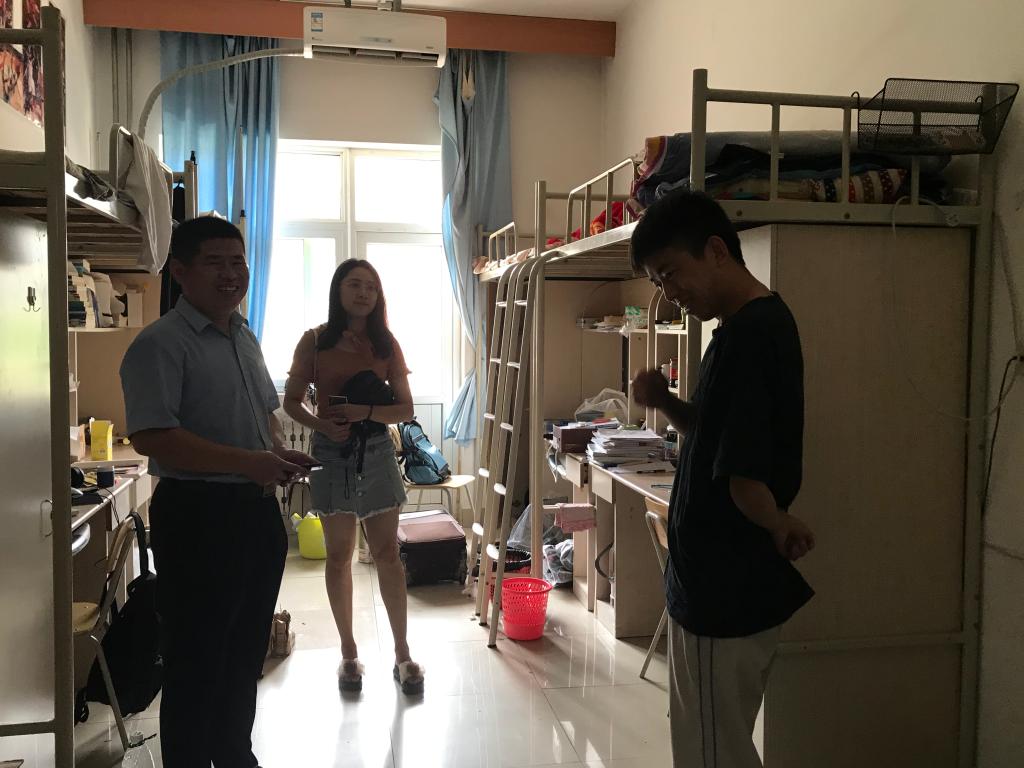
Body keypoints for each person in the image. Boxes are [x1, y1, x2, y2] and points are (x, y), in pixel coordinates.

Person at [120, 216, 318, 768]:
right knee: (196, 659)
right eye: (215, 262)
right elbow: (154, 436)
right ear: (180, 271)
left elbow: (264, 416)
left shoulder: (243, 335)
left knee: (244, 652)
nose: (231, 274)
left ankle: (234, 755)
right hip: (198, 517)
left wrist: (276, 453)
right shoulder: (160, 344)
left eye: (238, 262)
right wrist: (250, 463)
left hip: (255, 514)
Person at [630, 190, 816, 768]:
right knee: (714, 743)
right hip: (714, 584)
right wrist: (666, 402)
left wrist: (778, 522)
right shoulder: (736, 329)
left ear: (715, 250)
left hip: (723, 590)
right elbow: (714, 436)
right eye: (657, 282)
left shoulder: (754, 335)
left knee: (713, 754)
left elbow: (742, 475)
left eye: (670, 273)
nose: (668, 292)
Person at [282, 258, 424, 695]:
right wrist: (321, 426)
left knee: (387, 554)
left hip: (378, 450)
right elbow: (291, 402)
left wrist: (364, 411)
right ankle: (348, 652)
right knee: (339, 555)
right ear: (338, 290)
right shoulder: (314, 341)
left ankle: (402, 652)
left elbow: (406, 409)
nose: (363, 293)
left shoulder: (386, 343)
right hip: (330, 452)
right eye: (354, 285)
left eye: (371, 287)